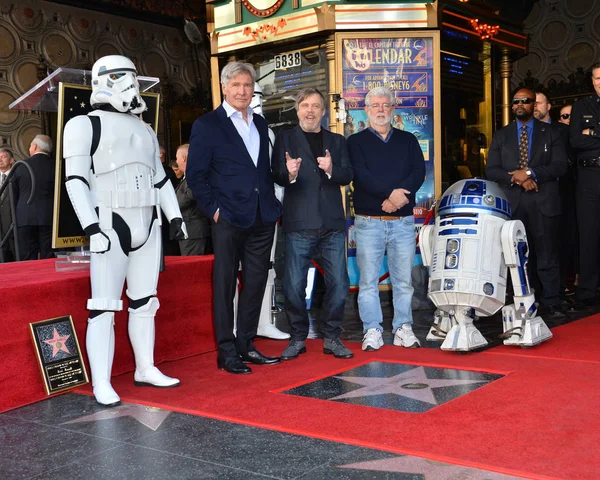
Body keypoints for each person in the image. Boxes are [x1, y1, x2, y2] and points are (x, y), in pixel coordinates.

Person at [63, 55, 187, 406]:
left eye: (133, 75)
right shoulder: (84, 125)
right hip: (109, 220)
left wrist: (174, 216)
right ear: (102, 80)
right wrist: (90, 225)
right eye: (119, 76)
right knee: (104, 304)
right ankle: (102, 380)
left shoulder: (145, 129)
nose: (129, 83)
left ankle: (144, 367)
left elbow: (160, 178)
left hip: (147, 221)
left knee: (145, 302)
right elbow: (75, 180)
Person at [186, 61, 282, 374]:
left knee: (255, 283)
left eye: (247, 85)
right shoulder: (207, 125)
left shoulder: (261, 124)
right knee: (225, 285)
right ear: (225, 88)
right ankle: (226, 352)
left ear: (253, 88)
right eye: (236, 85)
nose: (242, 91)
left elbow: (261, 170)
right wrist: (214, 211)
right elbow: (196, 176)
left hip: (261, 217)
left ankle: (246, 344)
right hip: (226, 217)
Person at [272, 87, 354, 360]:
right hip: (299, 222)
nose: (310, 110)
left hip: (331, 223)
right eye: (305, 105)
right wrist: (290, 173)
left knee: (340, 285)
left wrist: (331, 169)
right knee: (294, 285)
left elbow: (346, 175)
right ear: (298, 110)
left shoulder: (337, 140)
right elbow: (276, 174)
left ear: (323, 110)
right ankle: (298, 337)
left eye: (316, 106)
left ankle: (331, 336)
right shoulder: (285, 139)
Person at [348, 86, 425, 351]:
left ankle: (403, 327)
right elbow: (360, 174)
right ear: (366, 110)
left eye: (385, 105)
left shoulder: (408, 140)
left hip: (402, 222)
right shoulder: (355, 142)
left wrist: (398, 198)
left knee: (403, 281)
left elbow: (418, 172)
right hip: (369, 222)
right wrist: (389, 194)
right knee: (368, 281)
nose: (381, 110)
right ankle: (372, 330)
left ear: (393, 109)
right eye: (375, 105)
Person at [486, 87, 567, 316]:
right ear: (512, 106)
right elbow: (491, 170)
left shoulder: (551, 133)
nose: (520, 104)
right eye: (515, 101)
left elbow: (560, 166)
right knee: (518, 255)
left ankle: (552, 300)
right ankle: (523, 298)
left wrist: (530, 173)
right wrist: (518, 178)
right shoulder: (502, 135)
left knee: (546, 253)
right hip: (514, 203)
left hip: (544, 202)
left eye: (525, 100)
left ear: (534, 104)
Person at [570, 63, 600, 308]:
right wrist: (585, 135)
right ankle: (587, 290)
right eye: (597, 78)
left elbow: (587, 137)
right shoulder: (582, 106)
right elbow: (576, 141)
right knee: (588, 232)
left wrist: (593, 132)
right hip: (589, 175)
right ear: (592, 81)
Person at [13, 135, 55, 260]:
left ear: (35, 146)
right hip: (50, 217)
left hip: (25, 218)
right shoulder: (57, 167)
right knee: (48, 256)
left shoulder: (21, 165)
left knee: (27, 257)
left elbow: (14, 193)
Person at [175, 143, 212, 255]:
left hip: (193, 231)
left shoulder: (195, 175)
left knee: (192, 267)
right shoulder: (190, 175)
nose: (176, 161)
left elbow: (192, 195)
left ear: (183, 158)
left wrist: (172, 204)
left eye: (177, 158)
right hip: (190, 230)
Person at [0, 148, 15, 262]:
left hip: (13, 225)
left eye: (4, 157)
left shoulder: (17, 176)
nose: (0, 159)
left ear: (11, 160)